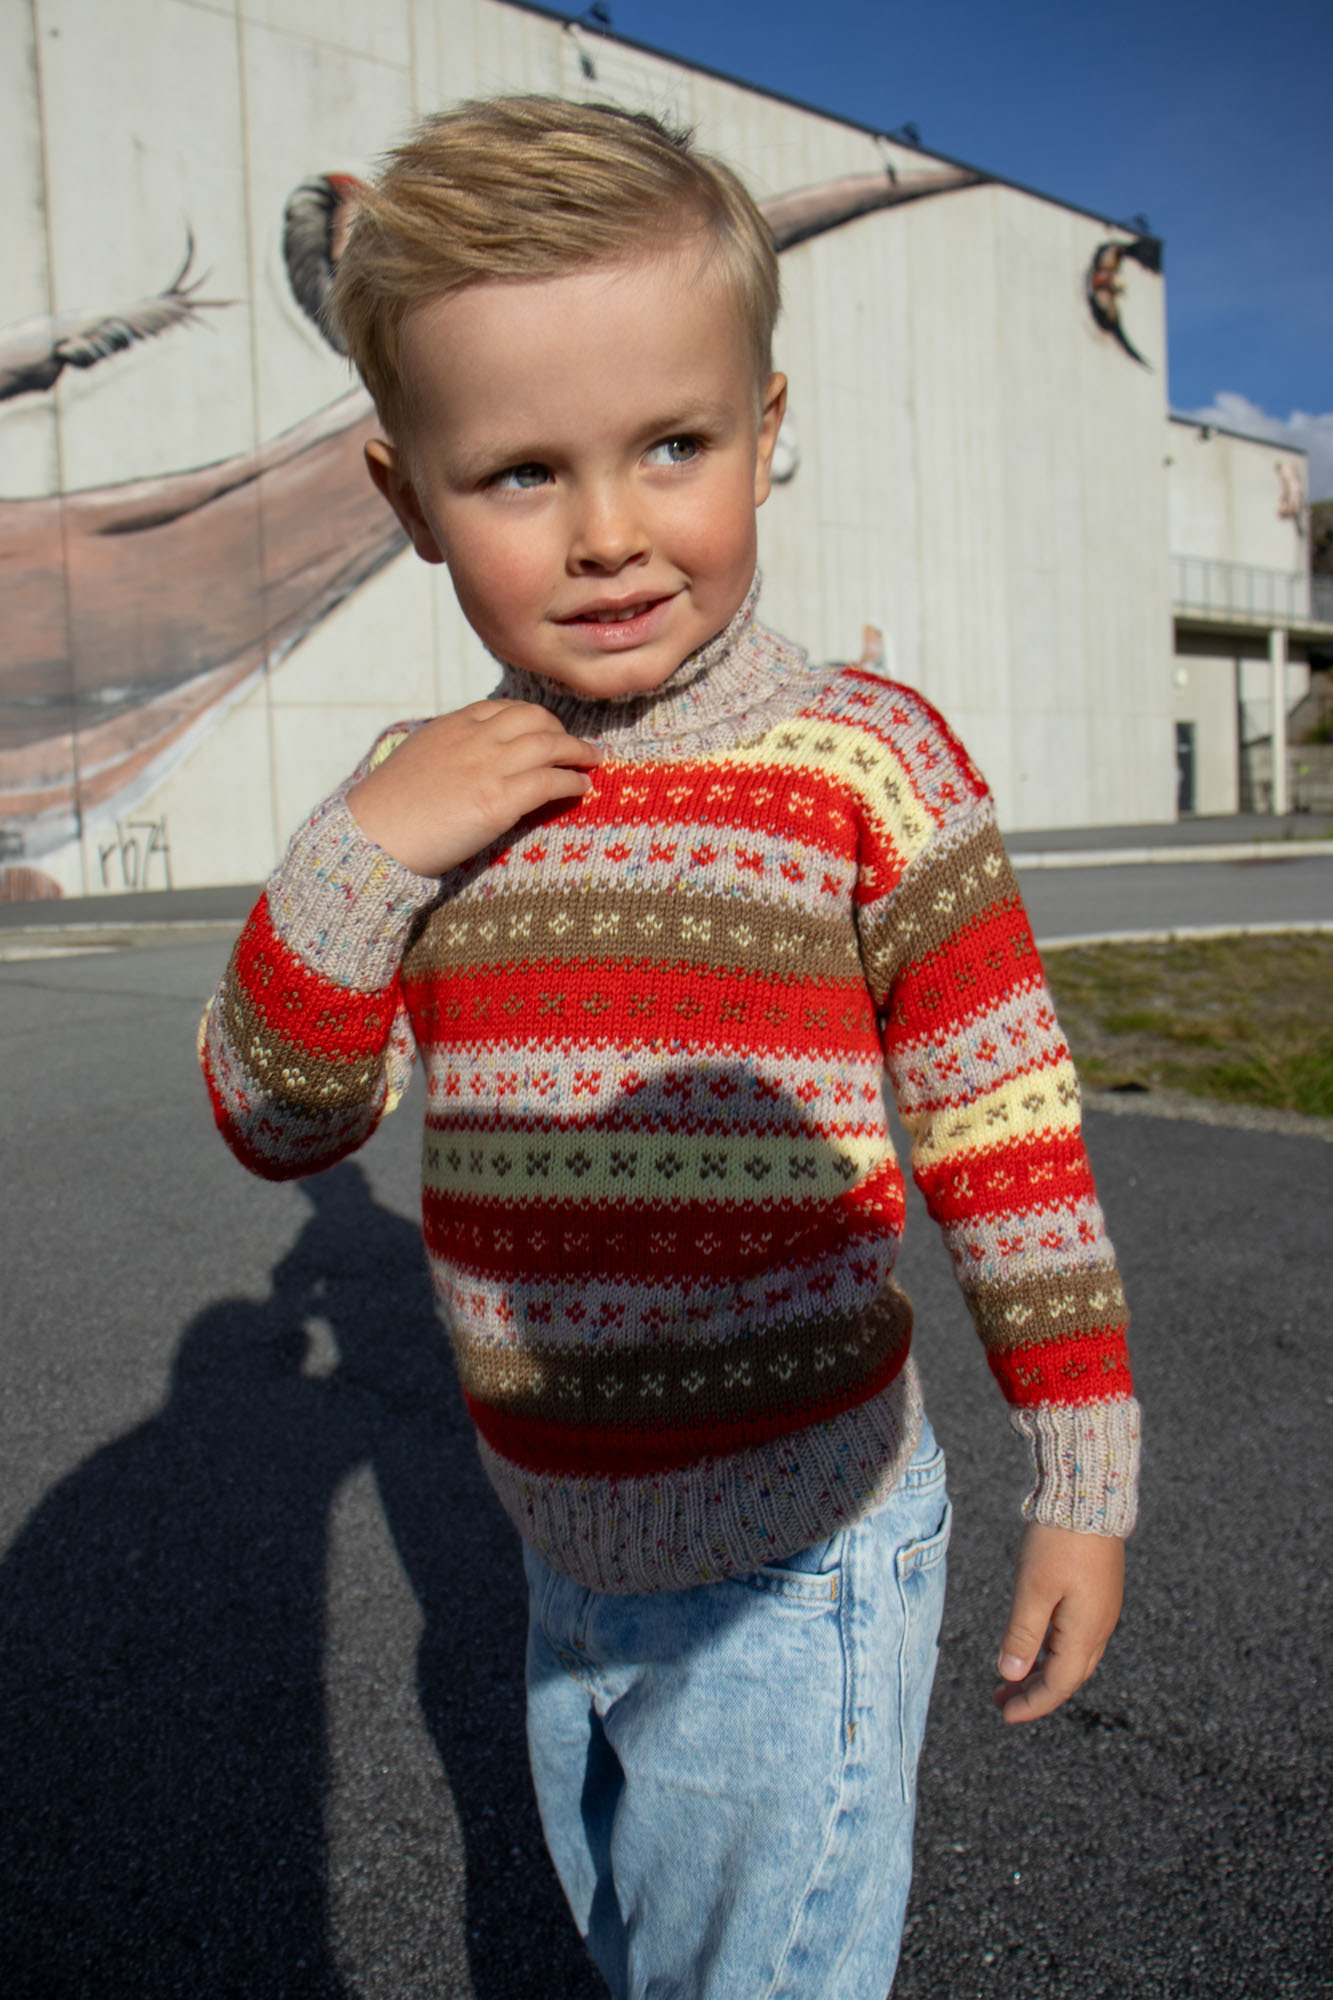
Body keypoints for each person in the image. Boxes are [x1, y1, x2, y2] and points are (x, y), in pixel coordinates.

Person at [200, 95, 1139, 1999]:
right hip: (558, 1544)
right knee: (638, 1946)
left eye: (673, 446)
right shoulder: (423, 800)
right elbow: (277, 1120)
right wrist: (360, 852)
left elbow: (1005, 1138)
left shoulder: (864, 761)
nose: (610, 533)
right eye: (518, 474)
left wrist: (1081, 1475)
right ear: (407, 497)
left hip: (803, 1555)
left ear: (765, 431)